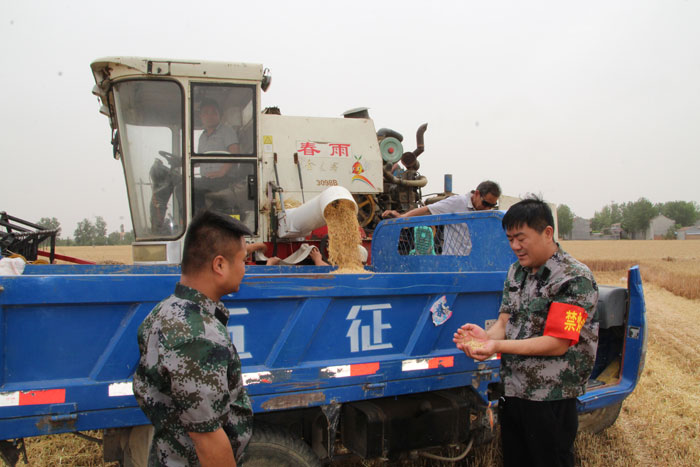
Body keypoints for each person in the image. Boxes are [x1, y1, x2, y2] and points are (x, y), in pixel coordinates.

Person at [453, 197, 599, 467]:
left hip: (550, 396)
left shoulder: (573, 278)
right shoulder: (516, 272)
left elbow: (557, 343)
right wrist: (487, 338)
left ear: (547, 233)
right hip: (515, 390)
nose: (515, 246)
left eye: (521, 238)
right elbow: (504, 323)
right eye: (510, 239)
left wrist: (496, 348)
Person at [134, 211, 253, 466]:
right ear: (219, 265)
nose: (246, 268)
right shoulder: (197, 337)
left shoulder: (165, 309)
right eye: (243, 260)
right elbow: (208, 439)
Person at [381, 180, 501, 255]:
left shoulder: (488, 214)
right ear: (477, 194)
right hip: (453, 262)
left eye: (492, 206)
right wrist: (403, 217)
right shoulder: (457, 202)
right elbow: (428, 209)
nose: (487, 209)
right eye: (486, 204)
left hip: (474, 263)